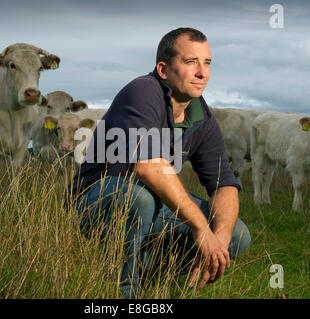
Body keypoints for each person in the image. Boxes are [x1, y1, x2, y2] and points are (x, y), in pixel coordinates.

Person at [71, 27, 251, 298]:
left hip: (152, 204)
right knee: (138, 199)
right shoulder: (143, 92)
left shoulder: (202, 116)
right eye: (191, 62)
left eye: (207, 63)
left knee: (238, 235)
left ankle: (146, 271)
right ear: (164, 70)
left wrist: (219, 238)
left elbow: (224, 183)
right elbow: (147, 166)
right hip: (96, 201)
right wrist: (201, 228)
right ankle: (124, 294)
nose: (203, 73)